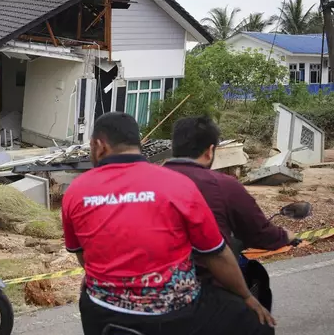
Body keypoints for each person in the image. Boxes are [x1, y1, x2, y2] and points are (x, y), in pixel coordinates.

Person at [62, 112, 275, 335]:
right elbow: (216, 255)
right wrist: (247, 297)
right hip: (174, 313)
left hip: (103, 311)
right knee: (257, 324)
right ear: (138, 144)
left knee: (87, 292)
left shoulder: (76, 191)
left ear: (99, 145)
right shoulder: (179, 184)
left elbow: (82, 256)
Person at [164, 116, 294, 252]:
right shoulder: (224, 186)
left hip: (151, 269)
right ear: (210, 151)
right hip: (205, 271)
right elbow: (259, 233)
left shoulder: (147, 181)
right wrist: (285, 235)